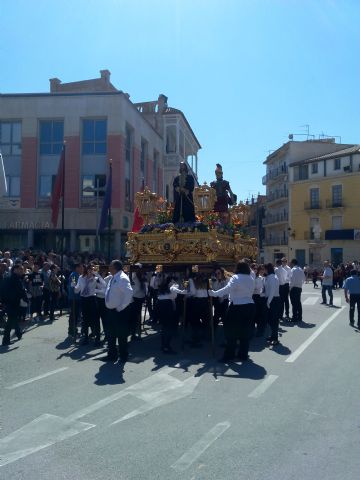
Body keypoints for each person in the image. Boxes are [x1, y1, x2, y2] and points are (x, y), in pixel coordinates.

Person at [209, 261, 255, 362]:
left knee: (231, 333)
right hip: (250, 306)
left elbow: (227, 289)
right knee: (245, 331)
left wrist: (214, 293)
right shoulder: (251, 278)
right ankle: (243, 354)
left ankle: (229, 355)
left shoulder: (235, 277)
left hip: (237, 306)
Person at [103, 260, 133, 362]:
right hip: (111, 311)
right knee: (110, 334)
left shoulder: (122, 278)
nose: (109, 268)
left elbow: (129, 293)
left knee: (121, 335)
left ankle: (123, 356)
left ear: (115, 267)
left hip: (119, 312)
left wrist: (120, 307)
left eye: (110, 266)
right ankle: (112, 355)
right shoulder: (114, 277)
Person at [75, 264, 104, 346]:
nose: (90, 271)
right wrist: (74, 286)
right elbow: (77, 289)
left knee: (95, 320)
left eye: (92, 269)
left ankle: (97, 339)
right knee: (85, 320)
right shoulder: (81, 278)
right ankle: (86, 338)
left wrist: (96, 290)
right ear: (86, 270)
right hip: (84, 299)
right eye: (89, 269)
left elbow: (104, 286)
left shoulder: (96, 279)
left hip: (92, 299)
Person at [155, 276, 187, 353]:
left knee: (164, 327)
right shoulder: (172, 287)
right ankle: (166, 346)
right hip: (167, 306)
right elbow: (183, 292)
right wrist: (185, 288)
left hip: (160, 305)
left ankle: (164, 345)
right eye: (173, 281)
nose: (175, 283)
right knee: (169, 327)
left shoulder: (163, 287)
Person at [1, 264, 29, 346]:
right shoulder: (15, 279)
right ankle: (5, 340)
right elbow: (21, 290)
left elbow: (2, 290)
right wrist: (26, 300)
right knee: (10, 321)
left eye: (22, 269)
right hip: (13, 302)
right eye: (20, 269)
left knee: (13, 318)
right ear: (15, 269)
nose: (22, 271)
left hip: (8, 302)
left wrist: (3, 301)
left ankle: (18, 333)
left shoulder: (7, 277)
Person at [263, 263, 281, 345]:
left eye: (264, 269)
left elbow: (272, 291)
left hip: (273, 300)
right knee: (270, 319)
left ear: (267, 269)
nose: (263, 270)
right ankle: (273, 336)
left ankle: (275, 338)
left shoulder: (273, 277)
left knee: (274, 320)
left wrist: (268, 301)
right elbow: (267, 290)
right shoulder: (269, 277)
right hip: (270, 299)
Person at [130, 263, 147, 340]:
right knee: (133, 317)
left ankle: (135, 332)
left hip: (140, 298)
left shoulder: (141, 277)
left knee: (137, 316)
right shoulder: (133, 276)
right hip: (134, 299)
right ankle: (133, 333)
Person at [67, 263, 83, 337]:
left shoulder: (77, 275)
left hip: (77, 298)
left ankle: (74, 330)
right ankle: (71, 331)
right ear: (77, 267)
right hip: (74, 298)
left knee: (76, 315)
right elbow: (73, 285)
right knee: (73, 315)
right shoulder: (74, 275)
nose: (82, 269)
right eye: (81, 267)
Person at [253, 264, 266, 337]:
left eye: (256, 269)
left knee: (259, 314)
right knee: (255, 314)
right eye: (254, 269)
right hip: (254, 297)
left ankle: (260, 330)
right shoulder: (253, 278)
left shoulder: (261, 278)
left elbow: (261, 288)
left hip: (259, 297)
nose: (255, 270)